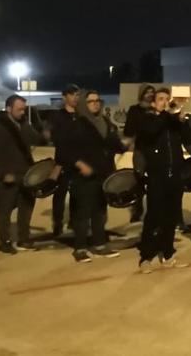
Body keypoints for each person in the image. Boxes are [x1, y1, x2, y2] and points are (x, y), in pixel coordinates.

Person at [135, 87, 191, 273]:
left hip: (175, 175)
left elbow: (189, 139)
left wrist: (183, 122)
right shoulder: (148, 119)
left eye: (167, 99)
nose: (165, 102)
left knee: (171, 217)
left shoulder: (172, 121)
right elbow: (151, 132)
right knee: (154, 216)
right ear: (153, 103)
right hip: (157, 175)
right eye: (161, 99)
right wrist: (168, 115)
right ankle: (147, 256)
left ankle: (168, 253)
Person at [67, 89, 125, 263]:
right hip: (82, 176)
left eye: (97, 100)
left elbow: (112, 143)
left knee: (100, 211)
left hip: (103, 173)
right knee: (82, 213)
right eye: (91, 101)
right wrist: (79, 164)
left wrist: (123, 145)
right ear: (84, 104)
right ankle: (80, 248)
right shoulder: (76, 123)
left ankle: (99, 244)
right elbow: (66, 150)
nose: (96, 103)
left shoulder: (105, 121)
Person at [0, 94, 41, 254]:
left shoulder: (23, 124)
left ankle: (24, 239)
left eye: (24, 109)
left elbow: (35, 139)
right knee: (5, 211)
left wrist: (32, 127)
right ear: (8, 109)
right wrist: (4, 173)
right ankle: (4, 242)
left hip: (26, 174)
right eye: (19, 109)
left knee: (27, 208)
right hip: (9, 175)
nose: (23, 112)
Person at [47, 84, 83, 237]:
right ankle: (57, 223)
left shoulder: (80, 116)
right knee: (59, 195)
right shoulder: (58, 116)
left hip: (78, 161)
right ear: (64, 97)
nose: (76, 98)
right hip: (62, 161)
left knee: (77, 193)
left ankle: (74, 221)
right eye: (72, 94)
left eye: (78, 95)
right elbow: (56, 138)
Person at [122, 84, 156, 223]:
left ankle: (154, 210)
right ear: (141, 94)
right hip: (141, 150)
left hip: (155, 151)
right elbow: (129, 130)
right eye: (147, 92)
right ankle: (137, 210)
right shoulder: (134, 110)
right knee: (138, 180)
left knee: (155, 182)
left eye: (151, 92)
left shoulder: (156, 109)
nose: (149, 94)